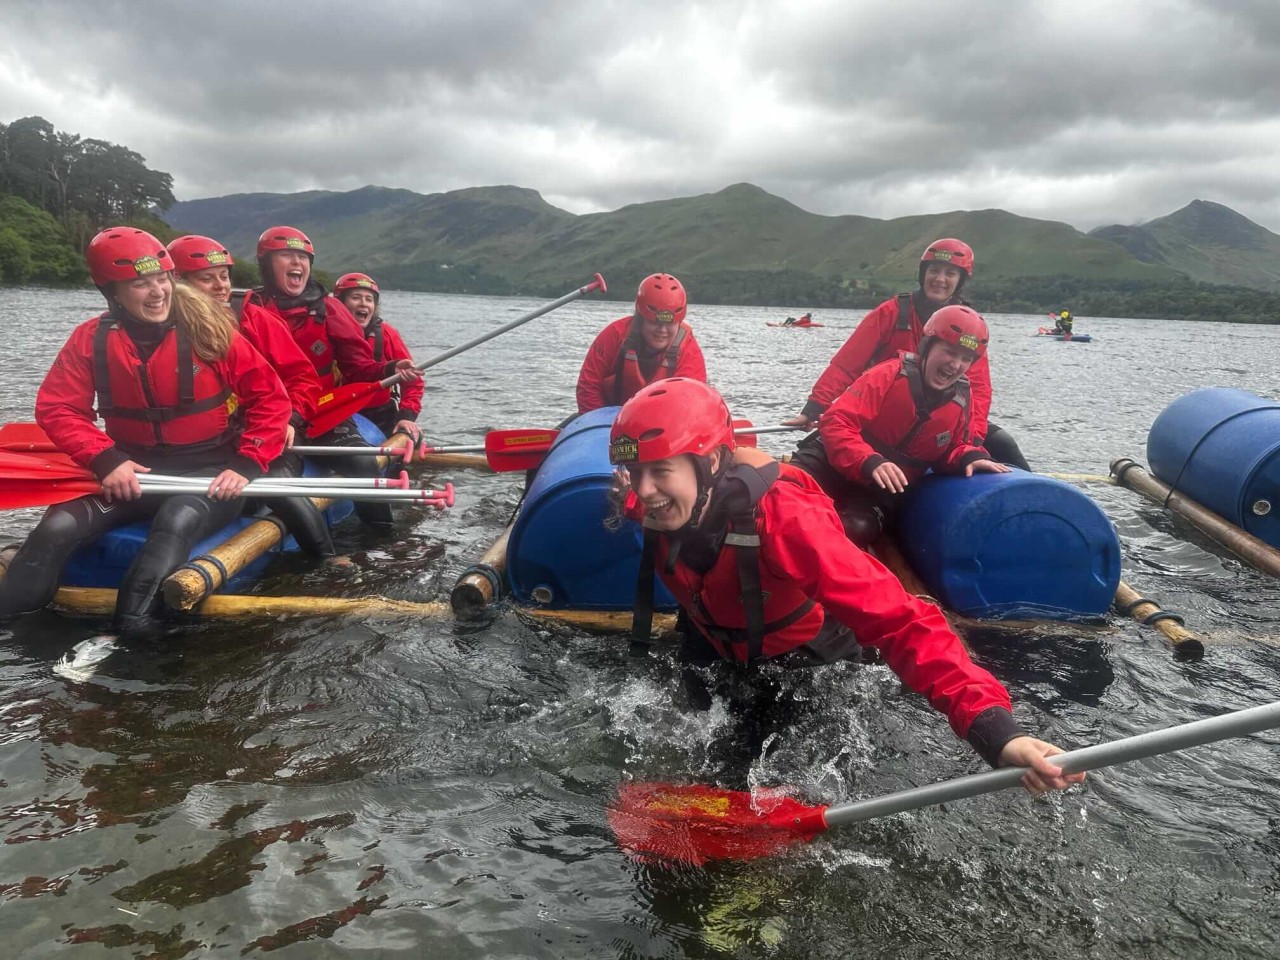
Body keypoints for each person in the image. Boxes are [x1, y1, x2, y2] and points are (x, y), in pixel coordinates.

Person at [607, 378, 1083, 793]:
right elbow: (636, 496)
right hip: (714, 638)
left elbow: (902, 621)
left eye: (660, 471)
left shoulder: (786, 521)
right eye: (635, 473)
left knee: (768, 766)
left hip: (802, 659)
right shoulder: (651, 500)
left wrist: (998, 733)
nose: (643, 491)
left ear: (710, 462)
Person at [0, 227, 289, 637]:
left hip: (207, 473)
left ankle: (130, 634)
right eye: (140, 283)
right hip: (132, 473)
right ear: (112, 291)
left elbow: (271, 400)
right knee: (57, 526)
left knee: (176, 517)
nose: (157, 293)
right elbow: (58, 408)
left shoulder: (210, 330)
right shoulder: (91, 338)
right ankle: (8, 633)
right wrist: (106, 459)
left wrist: (246, 463)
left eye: (161, 279)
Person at [783, 239, 1031, 470]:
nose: (940, 279)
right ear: (923, 274)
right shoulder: (891, 312)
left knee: (1003, 444)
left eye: (950, 273)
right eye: (934, 270)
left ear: (960, 280)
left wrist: (972, 442)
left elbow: (977, 389)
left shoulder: (970, 328)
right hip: (884, 418)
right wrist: (814, 408)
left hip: (940, 422)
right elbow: (847, 365)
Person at [240, 226, 420, 527]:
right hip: (270, 416)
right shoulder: (248, 309)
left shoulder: (330, 309)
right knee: (268, 481)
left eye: (303, 257)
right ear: (266, 264)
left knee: (363, 463)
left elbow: (359, 368)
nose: (297, 263)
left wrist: (390, 369)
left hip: (322, 410)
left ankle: (383, 540)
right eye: (286, 255)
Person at [167, 234, 335, 557]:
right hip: (208, 443)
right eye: (207, 278)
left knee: (272, 482)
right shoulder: (159, 326)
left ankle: (327, 559)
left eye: (224, 276)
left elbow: (303, 379)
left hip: (268, 430)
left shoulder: (254, 319)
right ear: (178, 283)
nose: (221, 286)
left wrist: (291, 419)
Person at [791, 305, 1010, 545]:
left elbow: (953, 447)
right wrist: (869, 460)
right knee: (785, 491)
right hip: (830, 460)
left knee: (857, 528)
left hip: (883, 487)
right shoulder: (888, 374)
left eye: (965, 359)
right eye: (949, 352)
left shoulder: (962, 400)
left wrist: (968, 456)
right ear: (928, 345)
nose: (955, 365)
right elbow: (837, 421)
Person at [576, 273, 706, 413]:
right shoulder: (614, 335)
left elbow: (690, 403)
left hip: (662, 422)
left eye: (670, 324)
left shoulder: (689, 350)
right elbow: (588, 387)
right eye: (654, 322)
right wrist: (601, 425)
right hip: (608, 420)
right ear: (640, 317)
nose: (662, 330)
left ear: (679, 322)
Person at [333, 272, 424, 440]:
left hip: (380, 415)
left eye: (369, 299)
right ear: (340, 304)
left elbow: (413, 381)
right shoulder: (324, 331)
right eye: (356, 297)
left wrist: (406, 416)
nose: (364, 304)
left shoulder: (386, 334)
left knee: (408, 434)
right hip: (335, 412)